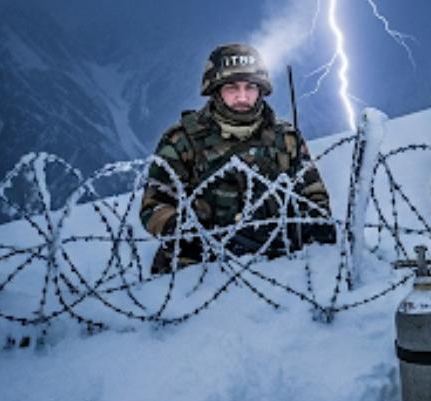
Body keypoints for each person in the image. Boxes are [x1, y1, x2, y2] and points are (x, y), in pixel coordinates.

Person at [140, 43, 335, 274]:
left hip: (277, 266)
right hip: (201, 270)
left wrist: (316, 223)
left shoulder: (286, 138)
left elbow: (313, 193)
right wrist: (182, 230)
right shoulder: (183, 140)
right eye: (232, 87)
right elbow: (153, 207)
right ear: (215, 89)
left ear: (261, 90)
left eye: (250, 87)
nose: (242, 96)